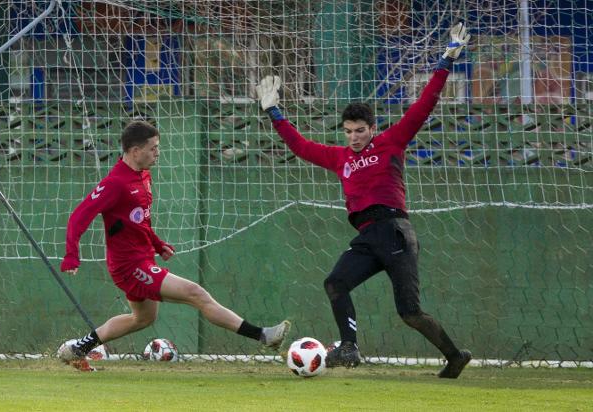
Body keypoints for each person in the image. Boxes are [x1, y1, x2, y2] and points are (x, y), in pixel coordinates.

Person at [256, 23, 472, 378]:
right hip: (368, 236)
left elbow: (424, 105)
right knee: (335, 283)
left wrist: (447, 60)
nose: (354, 137)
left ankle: (454, 355)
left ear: (372, 128)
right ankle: (349, 347)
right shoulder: (340, 157)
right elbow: (300, 146)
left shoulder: (391, 142)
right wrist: (273, 110)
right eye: (348, 131)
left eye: (360, 131)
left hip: (395, 232)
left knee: (409, 312)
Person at [58, 120, 290, 371]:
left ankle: (77, 349)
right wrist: (72, 255)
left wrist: (157, 244)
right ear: (135, 151)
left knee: (142, 318)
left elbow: (138, 220)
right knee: (196, 294)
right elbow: (78, 216)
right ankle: (264, 336)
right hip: (129, 266)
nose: (158, 153)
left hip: (143, 258)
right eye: (153, 148)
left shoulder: (143, 176)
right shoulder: (116, 183)